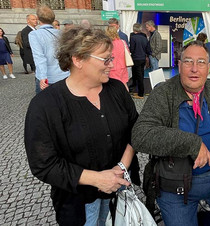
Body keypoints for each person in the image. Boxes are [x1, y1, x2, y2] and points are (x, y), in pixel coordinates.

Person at [131, 40, 210, 226]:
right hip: (176, 185)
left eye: (200, 63)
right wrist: (192, 143)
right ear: (179, 65)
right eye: (188, 61)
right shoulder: (164, 94)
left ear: (208, 68)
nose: (194, 69)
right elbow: (140, 135)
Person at [24, 27, 140, 226]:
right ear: (78, 59)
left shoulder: (117, 90)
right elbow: (43, 164)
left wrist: (121, 168)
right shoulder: (46, 105)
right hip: (78, 201)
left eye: (111, 58)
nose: (112, 65)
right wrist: (97, 179)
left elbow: (136, 131)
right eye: (105, 59)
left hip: (119, 191)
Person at [29, 5, 70, 94]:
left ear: (38, 19)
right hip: (64, 75)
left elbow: (39, 57)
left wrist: (43, 77)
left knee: (44, 105)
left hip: (48, 76)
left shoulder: (34, 34)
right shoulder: (62, 33)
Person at [129, 23, 151, 99]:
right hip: (142, 59)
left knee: (138, 76)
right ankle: (138, 92)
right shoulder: (144, 38)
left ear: (134, 29)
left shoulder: (133, 38)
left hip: (136, 59)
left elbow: (132, 49)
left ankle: (140, 94)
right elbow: (148, 49)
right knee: (141, 75)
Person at [105, 26, 129, 91]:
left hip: (113, 68)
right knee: (124, 83)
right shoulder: (123, 42)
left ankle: (117, 100)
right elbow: (128, 52)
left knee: (114, 86)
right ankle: (126, 98)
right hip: (123, 66)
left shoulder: (109, 44)